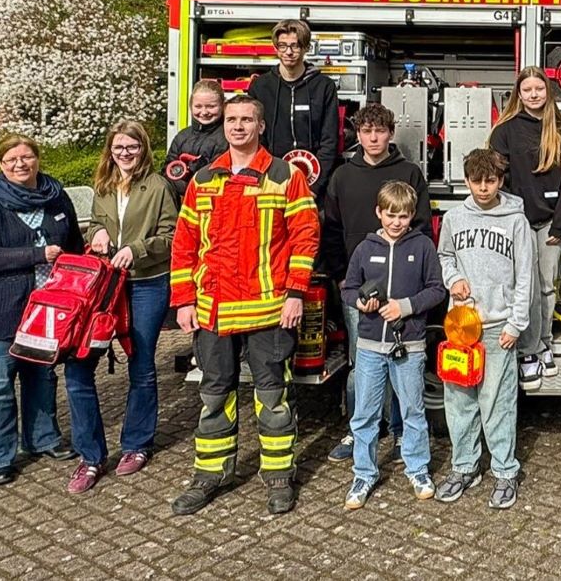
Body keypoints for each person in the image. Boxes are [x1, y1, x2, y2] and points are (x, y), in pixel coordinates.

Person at [169, 94, 320, 517]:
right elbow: (184, 246)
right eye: (232, 119)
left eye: (246, 120)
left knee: (273, 397)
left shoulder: (285, 176)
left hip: (269, 308)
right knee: (214, 395)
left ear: (261, 125)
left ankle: (277, 476)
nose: (238, 127)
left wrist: (295, 293)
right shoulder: (203, 180)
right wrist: (183, 300)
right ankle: (210, 475)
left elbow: (305, 238)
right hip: (213, 308)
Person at [0, 134, 83, 485]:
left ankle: (42, 438)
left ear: (37, 159)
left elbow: (73, 243)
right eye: (12, 159)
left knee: (41, 376)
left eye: (27, 157)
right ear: (1, 164)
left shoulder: (56, 196)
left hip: (44, 308)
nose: (20, 164)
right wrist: (35, 255)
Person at [62, 121, 179, 493]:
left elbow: (172, 235)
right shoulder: (104, 185)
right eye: (118, 148)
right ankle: (90, 456)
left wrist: (138, 250)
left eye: (132, 147)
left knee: (141, 364)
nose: (125, 153)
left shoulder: (158, 186)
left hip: (146, 284)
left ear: (143, 148)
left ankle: (136, 444)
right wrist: (95, 231)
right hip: (104, 285)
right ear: (110, 151)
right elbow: (98, 222)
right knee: (79, 365)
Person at [321, 103, 434, 463]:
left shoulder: (408, 172)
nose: (373, 138)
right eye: (366, 131)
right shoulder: (342, 175)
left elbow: (422, 225)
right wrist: (342, 277)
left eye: (380, 131)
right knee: (361, 364)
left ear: (390, 133)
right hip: (359, 287)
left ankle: (401, 434)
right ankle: (359, 434)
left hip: (403, 286)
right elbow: (332, 229)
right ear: (357, 133)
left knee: (402, 362)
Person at [435, 148, 535, 509]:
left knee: (497, 402)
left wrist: (516, 322)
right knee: (459, 401)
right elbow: (445, 255)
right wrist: (454, 278)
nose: (483, 187)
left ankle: (505, 471)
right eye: (476, 181)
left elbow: (526, 275)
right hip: (461, 326)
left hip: (498, 328)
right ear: (466, 180)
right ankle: (464, 467)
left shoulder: (515, 221)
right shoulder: (454, 218)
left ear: (500, 180)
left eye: (490, 180)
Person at [341, 181, 445, 510]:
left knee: (414, 411)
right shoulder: (364, 248)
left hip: (409, 344)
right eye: (390, 215)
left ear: (412, 216)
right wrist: (360, 303)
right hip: (370, 345)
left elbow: (436, 289)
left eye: (403, 216)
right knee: (365, 415)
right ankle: (364, 473)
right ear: (378, 213)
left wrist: (407, 306)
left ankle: (417, 469)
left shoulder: (424, 246)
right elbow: (348, 288)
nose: (396, 222)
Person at [488, 66, 561, 389]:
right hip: (518, 221)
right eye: (527, 90)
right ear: (518, 94)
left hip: (551, 221)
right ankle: (529, 350)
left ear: (547, 91)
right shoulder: (505, 131)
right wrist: (508, 218)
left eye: (539, 89)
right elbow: (497, 178)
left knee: (547, 287)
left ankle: (545, 343)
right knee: (526, 287)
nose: (534, 95)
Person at [248, 18, 340, 196]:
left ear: (306, 48)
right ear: (275, 48)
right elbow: (254, 138)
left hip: (313, 185)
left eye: (295, 46)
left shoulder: (324, 86)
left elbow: (329, 140)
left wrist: (314, 187)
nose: (288, 52)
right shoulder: (259, 87)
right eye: (282, 46)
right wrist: (267, 179)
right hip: (270, 181)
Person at [165, 79, 229, 200]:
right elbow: (167, 170)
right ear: (190, 106)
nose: (204, 112)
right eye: (198, 106)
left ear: (223, 106)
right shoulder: (182, 136)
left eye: (211, 106)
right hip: (180, 201)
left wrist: (200, 172)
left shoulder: (227, 137)